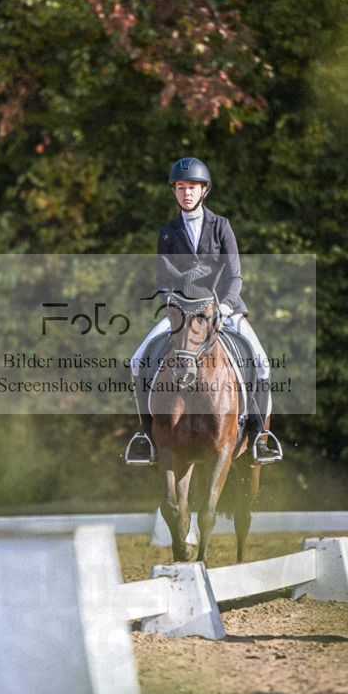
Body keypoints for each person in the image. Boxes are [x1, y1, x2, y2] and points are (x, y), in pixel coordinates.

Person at [125, 156, 281, 466]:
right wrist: (173, 305)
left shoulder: (221, 226)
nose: (186, 193)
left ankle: (258, 437)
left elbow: (234, 275)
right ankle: (146, 436)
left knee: (262, 363)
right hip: (182, 314)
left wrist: (223, 307)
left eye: (192, 187)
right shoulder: (168, 233)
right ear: (174, 191)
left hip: (224, 308)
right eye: (180, 187)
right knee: (137, 360)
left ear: (204, 190)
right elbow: (162, 280)